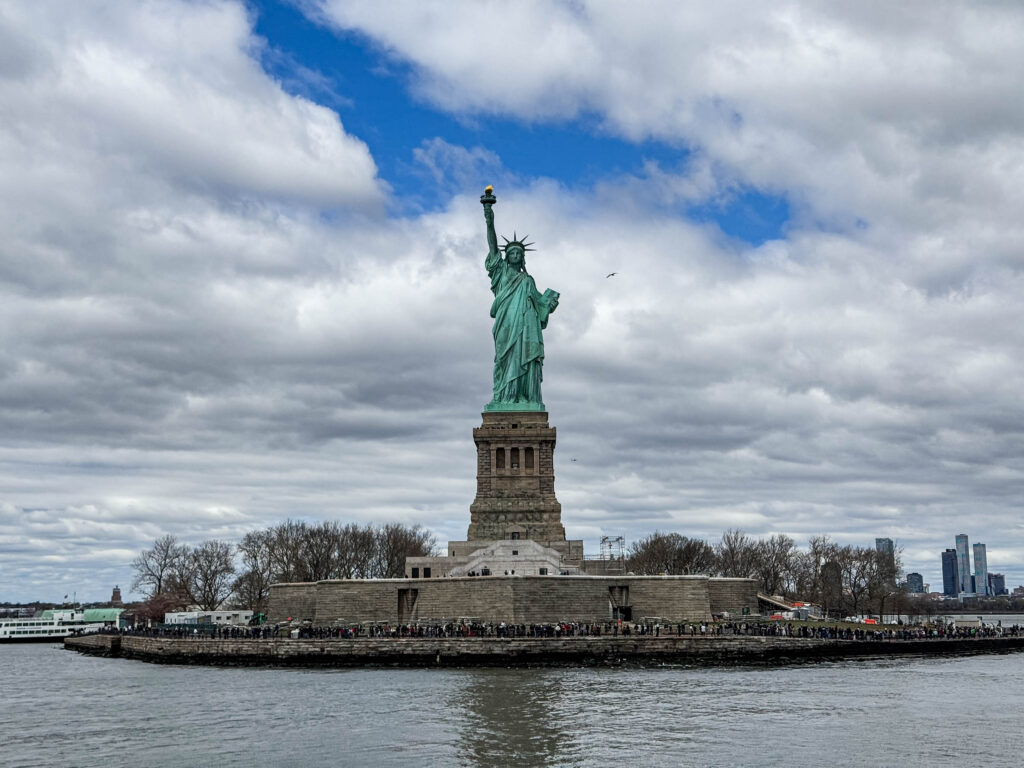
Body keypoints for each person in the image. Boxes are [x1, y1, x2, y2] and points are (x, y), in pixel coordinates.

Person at [481, 190, 559, 409]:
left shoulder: (528, 280)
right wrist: (489, 216)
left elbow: (540, 303)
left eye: (518, 253)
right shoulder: (501, 272)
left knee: (524, 356)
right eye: (512, 252)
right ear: (507, 256)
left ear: (522, 257)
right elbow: (492, 245)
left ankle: (524, 397)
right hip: (506, 322)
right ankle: (504, 397)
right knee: (504, 359)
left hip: (526, 326)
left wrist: (549, 303)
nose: (515, 255)